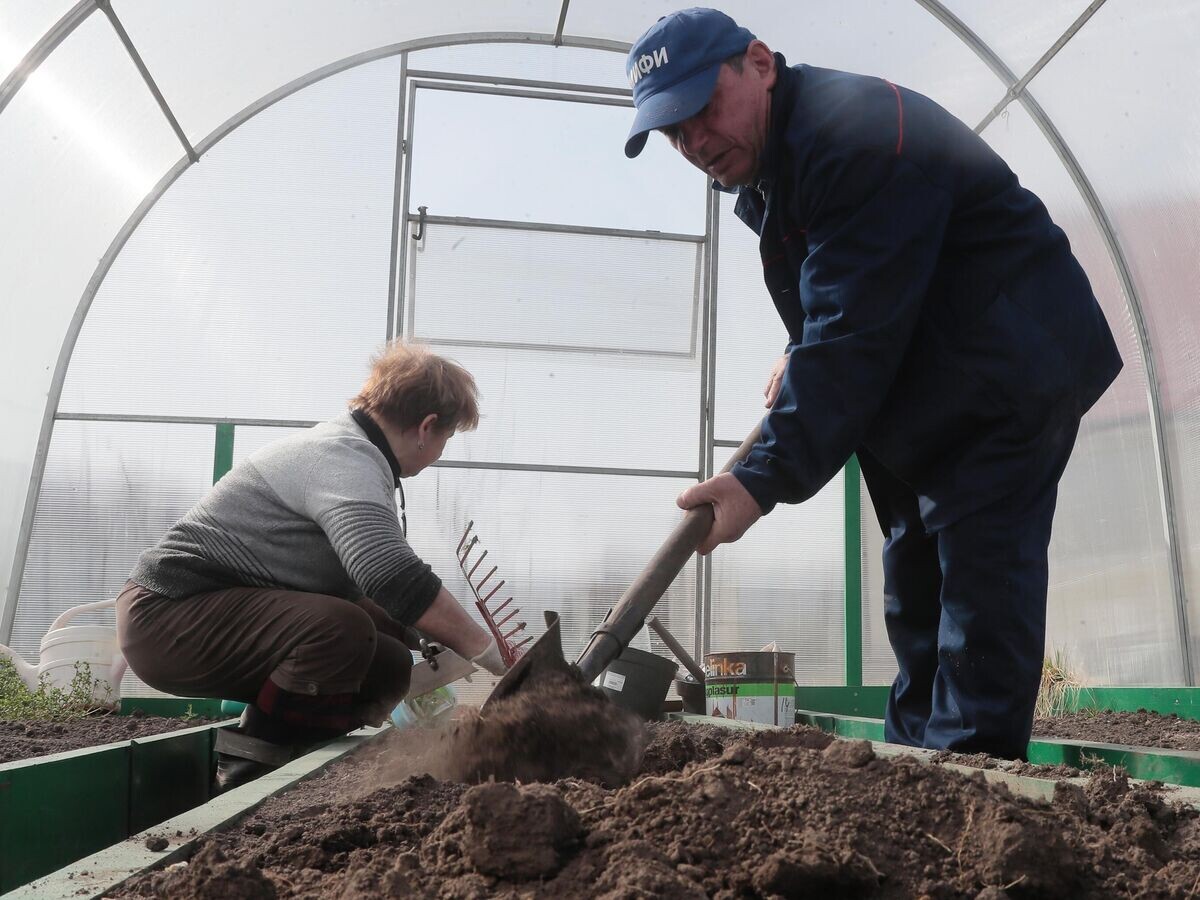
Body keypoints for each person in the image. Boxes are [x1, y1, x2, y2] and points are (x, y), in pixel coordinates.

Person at [624, 8, 1122, 759]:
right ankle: (906, 771)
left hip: (1005, 373)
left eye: (701, 110)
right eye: (673, 132)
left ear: (759, 63)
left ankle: (971, 789)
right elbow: (852, 296)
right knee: (915, 598)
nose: (693, 142)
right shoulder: (776, 163)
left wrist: (756, 482)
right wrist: (803, 348)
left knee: (979, 597)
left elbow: (853, 336)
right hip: (926, 382)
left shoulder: (850, 134)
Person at [116, 341, 507, 790]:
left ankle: (310, 756)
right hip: (166, 616)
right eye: (446, 438)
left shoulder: (358, 457)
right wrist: (488, 652)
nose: (440, 450)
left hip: (206, 615)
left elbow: (361, 586)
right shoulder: (343, 458)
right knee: (340, 628)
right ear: (426, 426)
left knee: (390, 659)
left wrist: (417, 633)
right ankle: (251, 768)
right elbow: (388, 574)